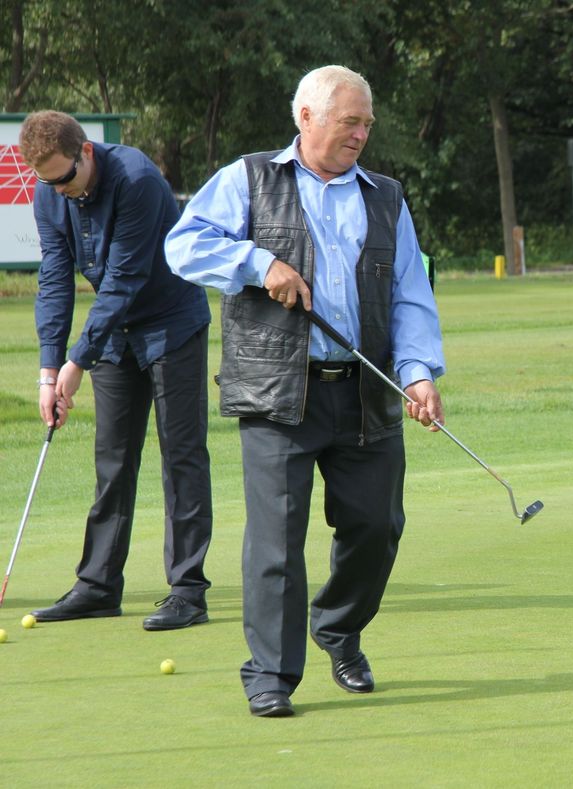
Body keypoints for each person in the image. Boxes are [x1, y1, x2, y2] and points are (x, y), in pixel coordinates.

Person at [166, 65, 445, 718]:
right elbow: (183, 245)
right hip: (276, 393)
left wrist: (419, 372)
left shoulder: (386, 197)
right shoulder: (250, 179)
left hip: (364, 392)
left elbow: (410, 292)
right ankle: (270, 672)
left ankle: (339, 627)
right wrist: (260, 264)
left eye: (368, 123)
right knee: (276, 543)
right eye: (351, 121)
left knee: (377, 527)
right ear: (307, 118)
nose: (362, 134)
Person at [19, 111, 213, 631]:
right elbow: (56, 280)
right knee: (112, 460)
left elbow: (124, 278)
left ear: (85, 153)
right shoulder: (49, 193)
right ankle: (99, 585)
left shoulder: (138, 180)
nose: (59, 190)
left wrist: (77, 361)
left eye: (65, 178)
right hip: (116, 335)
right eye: (47, 182)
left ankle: (188, 590)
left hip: (172, 325)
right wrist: (48, 368)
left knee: (182, 456)